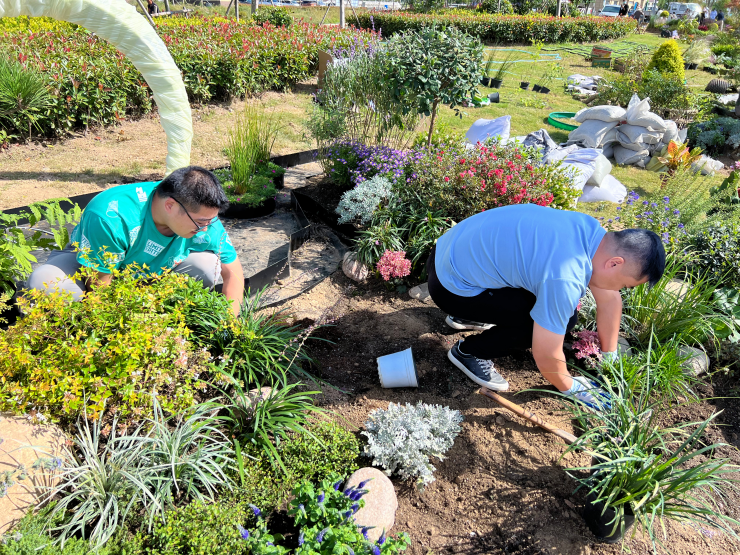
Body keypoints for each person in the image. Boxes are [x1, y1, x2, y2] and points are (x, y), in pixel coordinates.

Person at [427, 204, 665, 410]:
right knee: (562, 320)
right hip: (450, 289)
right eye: (625, 284)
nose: (620, 289)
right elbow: (547, 353)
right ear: (615, 263)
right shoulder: (566, 276)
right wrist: (572, 388)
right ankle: (470, 352)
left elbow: (610, 299)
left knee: (542, 297)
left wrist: (610, 356)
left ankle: (471, 314)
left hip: (444, 254)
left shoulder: (591, 232)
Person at [27, 166, 245, 315]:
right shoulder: (111, 215)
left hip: (152, 270)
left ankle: (152, 305)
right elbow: (99, 287)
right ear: (170, 205)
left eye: (210, 221)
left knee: (208, 267)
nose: (205, 228)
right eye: (200, 222)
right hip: (91, 267)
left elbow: (233, 272)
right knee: (44, 284)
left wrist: (227, 326)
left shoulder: (200, 217)